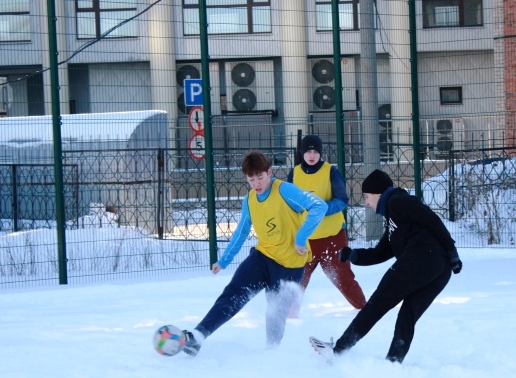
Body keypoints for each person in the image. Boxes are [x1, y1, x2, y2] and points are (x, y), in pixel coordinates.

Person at [181, 151, 326, 356]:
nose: (256, 183)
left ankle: (271, 353)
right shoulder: (250, 199)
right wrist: (224, 260)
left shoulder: (285, 190)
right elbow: (241, 231)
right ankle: (198, 336)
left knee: (275, 314)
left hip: (290, 267)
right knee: (232, 295)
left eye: (260, 177)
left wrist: (301, 238)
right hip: (262, 258)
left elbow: (320, 206)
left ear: (270, 172)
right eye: (251, 179)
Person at [309, 169, 462, 363]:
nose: (366, 203)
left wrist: (452, 250)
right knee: (408, 314)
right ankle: (393, 361)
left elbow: (432, 219)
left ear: (377, 193)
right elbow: (381, 252)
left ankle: (338, 349)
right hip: (440, 270)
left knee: (377, 303)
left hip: (422, 258)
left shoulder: (398, 201)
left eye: (366, 196)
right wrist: (354, 255)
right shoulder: (394, 219)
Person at [286, 134, 366, 317]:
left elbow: (342, 200)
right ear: (302, 153)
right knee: (297, 279)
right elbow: (289, 203)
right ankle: (289, 319)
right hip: (306, 240)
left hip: (333, 236)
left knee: (343, 278)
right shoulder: (294, 173)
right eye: (308, 151)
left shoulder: (330, 171)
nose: (312, 155)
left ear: (320, 153)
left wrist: (322, 209)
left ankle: (364, 310)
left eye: (315, 151)